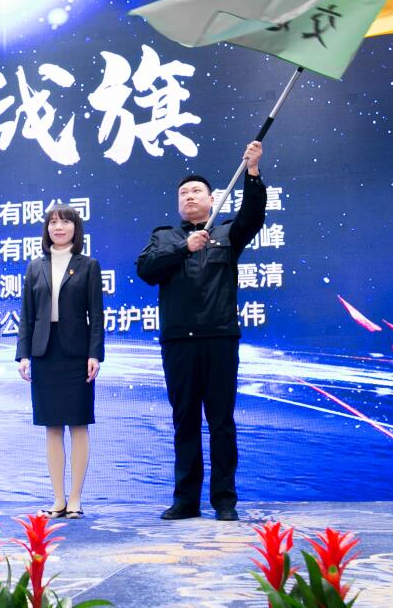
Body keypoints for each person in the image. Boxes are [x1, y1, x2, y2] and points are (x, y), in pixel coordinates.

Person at [135, 140, 266, 522]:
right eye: (184, 193)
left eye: (196, 191)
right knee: (185, 421)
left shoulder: (228, 234)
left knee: (221, 423)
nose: (190, 196)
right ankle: (185, 500)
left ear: (212, 200)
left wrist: (252, 172)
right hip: (179, 341)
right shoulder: (165, 237)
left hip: (219, 337)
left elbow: (253, 216)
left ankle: (225, 500)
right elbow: (146, 270)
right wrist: (184, 249)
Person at [15, 203, 105, 520]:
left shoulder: (88, 265)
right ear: (47, 229)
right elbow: (27, 315)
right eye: (53, 222)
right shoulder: (35, 266)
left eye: (65, 222)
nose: (59, 227)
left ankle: (76, 499)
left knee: (78, 424)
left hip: (77, 353)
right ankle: (58, 499)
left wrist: (95, 354)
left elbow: (96, 315)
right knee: (51, 426)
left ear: (75, 229)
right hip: (44, 352)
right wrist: (23, 354)